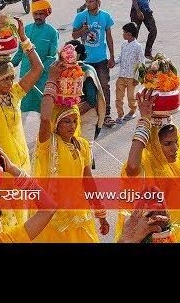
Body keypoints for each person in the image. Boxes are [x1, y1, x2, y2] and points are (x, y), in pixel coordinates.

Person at [0, 17, 43, 228]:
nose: (10, 82)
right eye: (5, 79)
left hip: (18, 160)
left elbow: (37, 69)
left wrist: (23, 38)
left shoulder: (15, 94)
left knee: (19, 209)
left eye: (11, 77)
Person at [33, 60, 110, 242]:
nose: (72, 125)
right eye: (66, 121)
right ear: (56, 123)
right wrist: (51, 80)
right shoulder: (48, 144)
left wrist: (101, 214)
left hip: (78, 214)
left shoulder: (82, 144)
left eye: (74, 121)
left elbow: (88, 180)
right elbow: (45, 119)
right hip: (54, 218)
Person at [117, 89, 180, 241]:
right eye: (167, 144)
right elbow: (132, 166)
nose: (175, 148)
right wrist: (145, 120)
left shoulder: (176, 164)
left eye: (176, 141)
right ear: (153, 144)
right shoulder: (142, 167)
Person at [72, 0, 116, 127]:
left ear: (98, 2)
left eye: (91, 1)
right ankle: (88, 114)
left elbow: (109, 37)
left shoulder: (105, 17)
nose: (88, 4)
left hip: (101, 59)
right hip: (85, 60)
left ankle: (107, 114)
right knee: (86, 88)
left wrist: (112, 56)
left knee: (104, 86)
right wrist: (82, 30)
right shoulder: (80, 17)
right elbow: (74, 36)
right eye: (87, 1)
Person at [12, 0, 59, 119]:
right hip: (25, 78)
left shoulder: (52, 32)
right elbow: (20, 53)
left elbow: (52, 57)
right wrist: (9, 65)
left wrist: (39, 71)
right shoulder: (26, 29)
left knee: (43, 113)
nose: (38, 16)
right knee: (21, 112)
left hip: (42, 79)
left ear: (46, 14)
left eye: (41, 14)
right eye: (35, 14)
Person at [115, 22, 144, 124]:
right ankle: (120, 115)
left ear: (130, 34)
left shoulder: (137, 46)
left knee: (131, 97)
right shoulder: (124, 45)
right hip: (121, 76)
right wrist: (114, 62)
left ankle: (132, 111)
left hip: (132, 78)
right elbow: (120, 57)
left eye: (124, 32)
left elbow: (141, 62)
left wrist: (137, 78)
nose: (122, 34)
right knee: (119, 97)